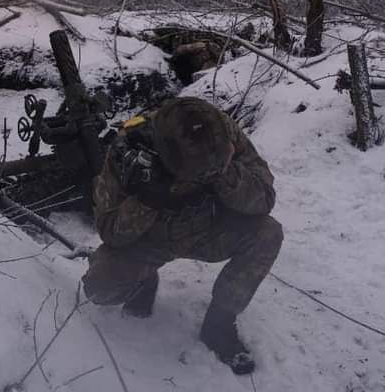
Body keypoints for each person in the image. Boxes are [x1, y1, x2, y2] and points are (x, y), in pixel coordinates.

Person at [81, 96, 283, 375]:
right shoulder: (128, 148)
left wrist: (225, 173)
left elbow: (264, 198)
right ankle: (144, 282)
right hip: (150, 238)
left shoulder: (220, 130)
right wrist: (148, 200)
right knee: (99, 289)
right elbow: (109, 231)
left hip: (207, 228)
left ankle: (219, 324)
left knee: (267, 233)